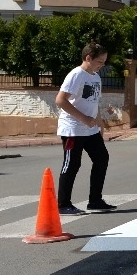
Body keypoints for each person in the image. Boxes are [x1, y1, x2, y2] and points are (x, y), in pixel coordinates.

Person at [54, 40, 116, 215]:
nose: (102, 66)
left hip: (90, 129)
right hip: (72, 128)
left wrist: (99, 123)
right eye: (99, 62)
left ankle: (95, 200)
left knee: (102, 158)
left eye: (104, 62)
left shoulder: (95, 77)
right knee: (72, 164)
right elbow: (60, 100)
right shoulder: (76, 75)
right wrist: (83, 118)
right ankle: (63, 204)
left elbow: (92, 102)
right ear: (88, 58)